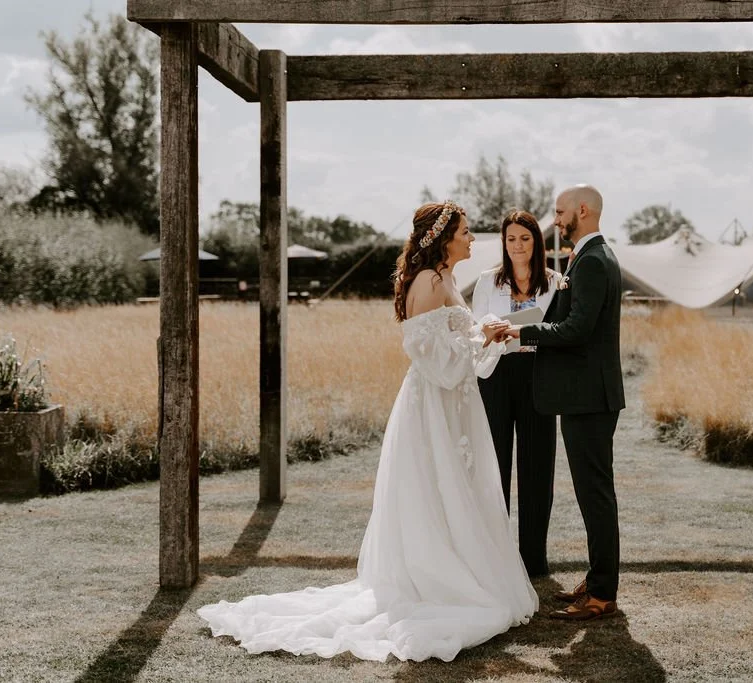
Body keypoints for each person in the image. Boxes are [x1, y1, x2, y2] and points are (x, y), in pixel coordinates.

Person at [197, 200, 539, 662]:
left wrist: (484, 337)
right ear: (443, 238)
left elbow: (454, 351)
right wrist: (481, 337)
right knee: (437, 490)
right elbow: (429, 359)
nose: (472, 238)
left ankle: (467, 570)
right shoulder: (429, 281)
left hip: (455, 407)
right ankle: (439, 579)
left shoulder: (446, 279)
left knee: (459, 489)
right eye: (465, 231)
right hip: (434, 410)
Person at [505, 184, 625, 622]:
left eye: (559, 212)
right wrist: (519, 322)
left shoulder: (594, 260)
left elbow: (576, 329)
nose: (554, 220)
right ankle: (598, 581)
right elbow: (564, 319)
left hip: (589, 399)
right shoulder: (589, 257)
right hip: (586, 396)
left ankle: (602, 595)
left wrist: (522, 333)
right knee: (593, 493)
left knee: (595, 495)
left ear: (582, 210)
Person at [471, 209, 562, 578]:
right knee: (495, 465)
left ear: (536, 242)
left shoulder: (556, 282)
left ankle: (533, 560)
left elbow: (560, 329)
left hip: (539, 376)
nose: (517, 245)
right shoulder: (487, 281)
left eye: (525, 238)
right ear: (503, 242)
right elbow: (474, 332)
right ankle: (495, 556)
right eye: (511, 239)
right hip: (495, 375)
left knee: (537, 466)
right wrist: (492, 331)